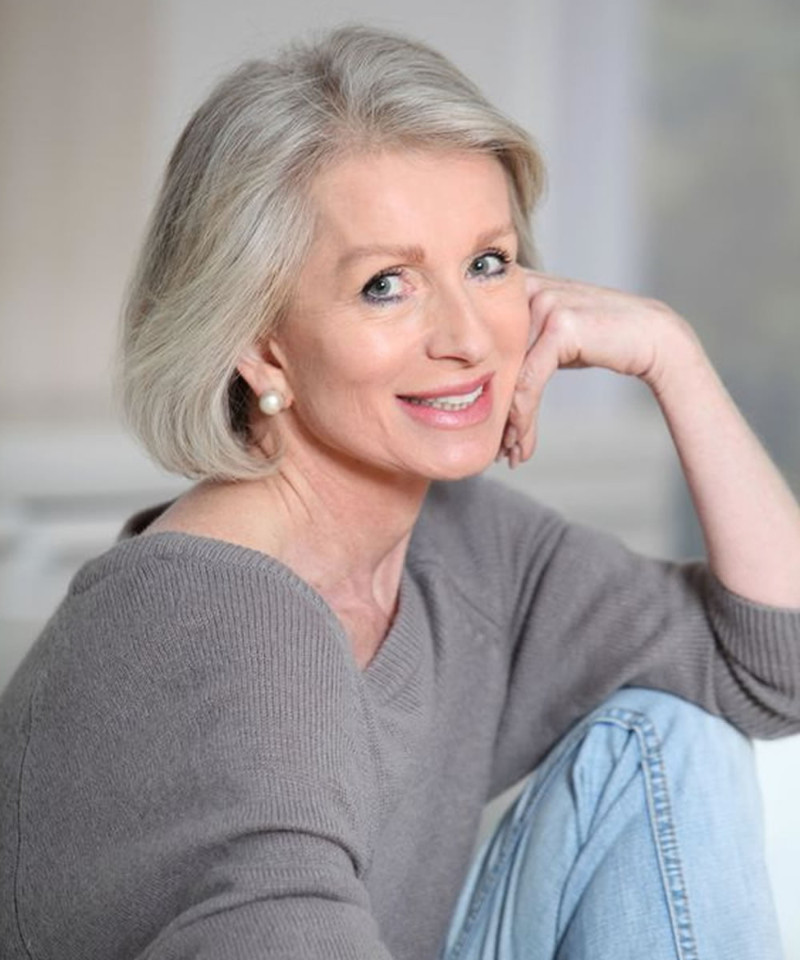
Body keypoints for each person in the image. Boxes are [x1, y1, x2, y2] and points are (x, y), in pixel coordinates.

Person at [1, 24, 799, 960]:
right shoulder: (210, 626)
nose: (467, 335)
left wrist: (674, 355)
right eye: (387, 285)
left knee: (668, 738)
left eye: (488, 264)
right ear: (260, 343)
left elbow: (770, 668)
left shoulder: (466, 548)